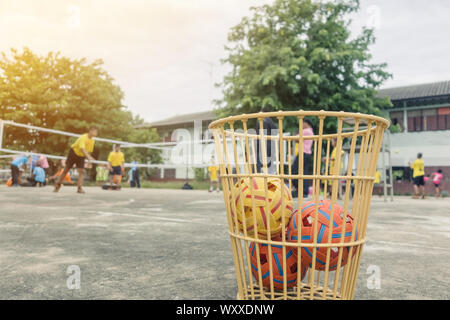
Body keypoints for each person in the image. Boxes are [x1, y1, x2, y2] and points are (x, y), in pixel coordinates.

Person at [54, 126, 98, 194]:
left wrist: (89, 159)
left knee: (82, 171)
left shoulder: (92, 140)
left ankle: (79, 188)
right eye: (95, 131)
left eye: (96, 132)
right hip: (73, 153)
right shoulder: (83, 137)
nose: (96, 133)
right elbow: (82, 149)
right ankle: (58, 185)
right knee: (66, 169)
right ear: (90, 131)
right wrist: (89, 157)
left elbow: (89, 151)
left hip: (81, 156)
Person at [292, 119, 314, 198]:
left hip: (303, 153)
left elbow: (295, 138)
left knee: (295, 170)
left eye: (302, 123)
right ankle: (303, 191)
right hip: (306, 154)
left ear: (306, 123)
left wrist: (296, 136)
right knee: (303, 172)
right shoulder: (310, 131)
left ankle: (300, 190)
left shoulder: (306, 131)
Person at [256, 106, 278, 173]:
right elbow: (275, 131)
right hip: (268, 144)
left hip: (259, 143)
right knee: (268, 162)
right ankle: (267, 178)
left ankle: (259, 178)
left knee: (259, 162)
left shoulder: (258, 120)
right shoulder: (268, 120)